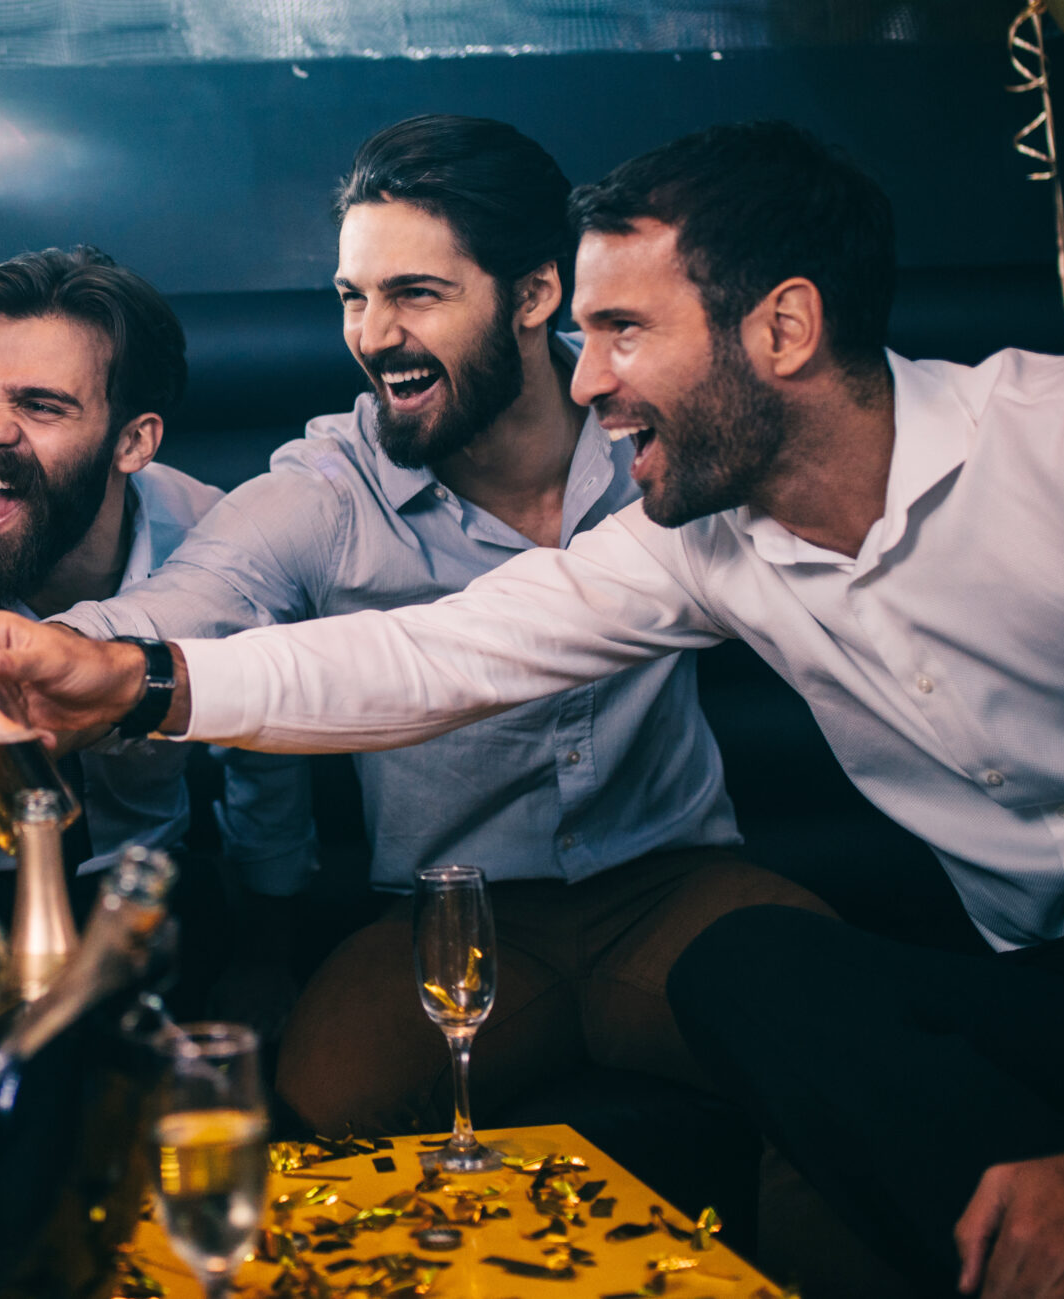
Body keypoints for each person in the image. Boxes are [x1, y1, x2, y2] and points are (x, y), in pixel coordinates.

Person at [0, 122, 1064, 1299]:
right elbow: (432, 657)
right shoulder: (690, 531)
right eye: (582, 331)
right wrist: (136, 675)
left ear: (781, 326)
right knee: (760, 979)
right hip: (1022, 988)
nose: (588, 376)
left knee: (776, 971)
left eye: (620, 332)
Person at [51, 116, 823, 1135]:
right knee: (308, 1121)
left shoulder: (663, 441)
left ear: (535, 295)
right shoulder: (326, 492)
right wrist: (31, 660)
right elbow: (175, 608)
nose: (372, 336)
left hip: (676, 887)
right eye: (353, 299)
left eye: (415, 294)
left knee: (848, 1061)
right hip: (449, 917)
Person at [0, 247, 305, 932]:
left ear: (133, 442)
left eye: (40, 406)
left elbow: (268, 752)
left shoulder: (209, 535)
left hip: (146, 893)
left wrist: (265, 945)